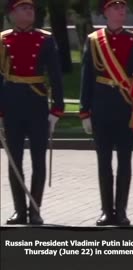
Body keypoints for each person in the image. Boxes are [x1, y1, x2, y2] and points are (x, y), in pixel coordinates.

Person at [0, 0, 64, 225]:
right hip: (12, 104)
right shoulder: (3, 39)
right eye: (23, 9)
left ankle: (35, 208)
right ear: (13, 13)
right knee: (14, 160)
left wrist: (57, 107)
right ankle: (19, 210)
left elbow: (55, 75)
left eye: (31, 9)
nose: (29, 12)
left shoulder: (44, 39)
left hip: (36, 103)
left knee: (38, 158)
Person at [79, 0, 133, 226]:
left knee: (124, 161)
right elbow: (87, 78)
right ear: (106, 12)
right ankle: (106, 210)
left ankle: (121, 210)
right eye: (116, 8)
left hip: (126, 107)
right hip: (102, 107)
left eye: (123, 8)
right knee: (104, 161)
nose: (121, 11)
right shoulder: (94, 41)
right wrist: (85, 111)